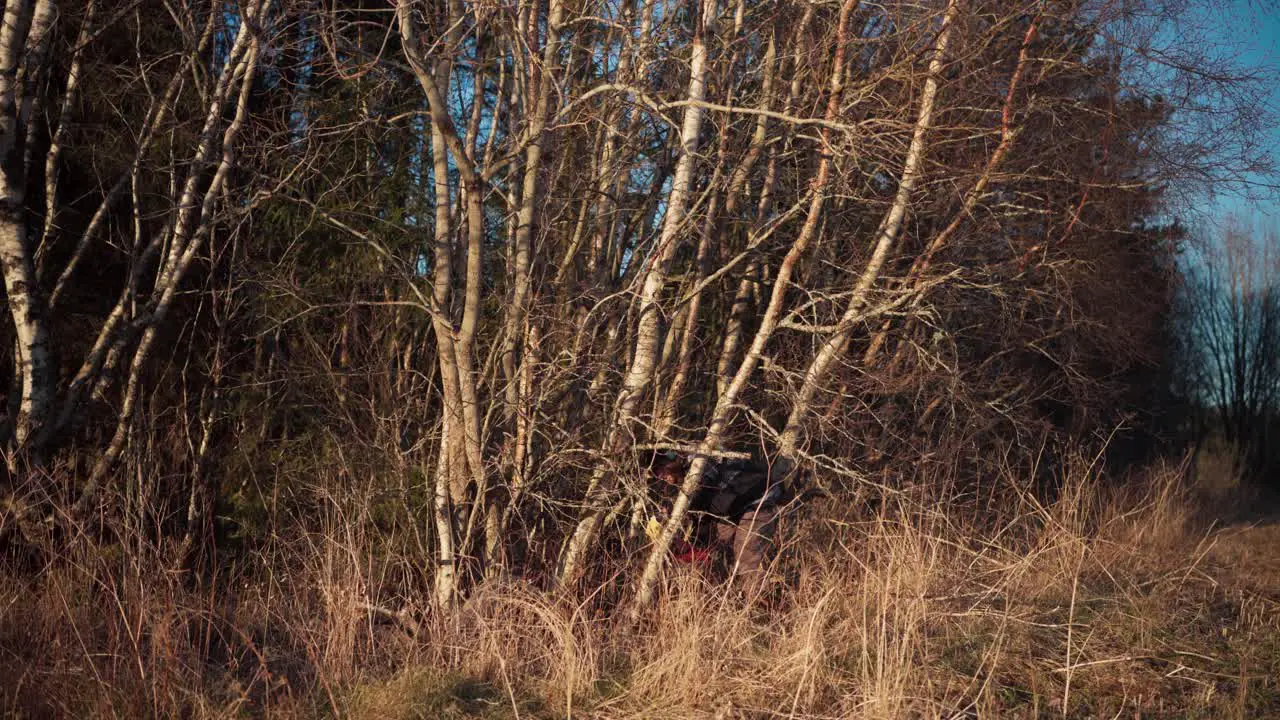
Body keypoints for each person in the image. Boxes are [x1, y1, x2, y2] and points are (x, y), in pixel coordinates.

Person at [645, 450, 797, 587]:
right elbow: (704, 513)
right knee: (719, 551)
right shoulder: (681, 478)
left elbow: (702, 494)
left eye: (662, 469)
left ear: (672, 459)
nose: (662, 476)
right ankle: (725, 597)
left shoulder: (698, 461)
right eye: (657, 474)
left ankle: (759, 604)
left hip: (758, 502)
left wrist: (672, 513)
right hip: (733, 509)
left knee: (746, 555)